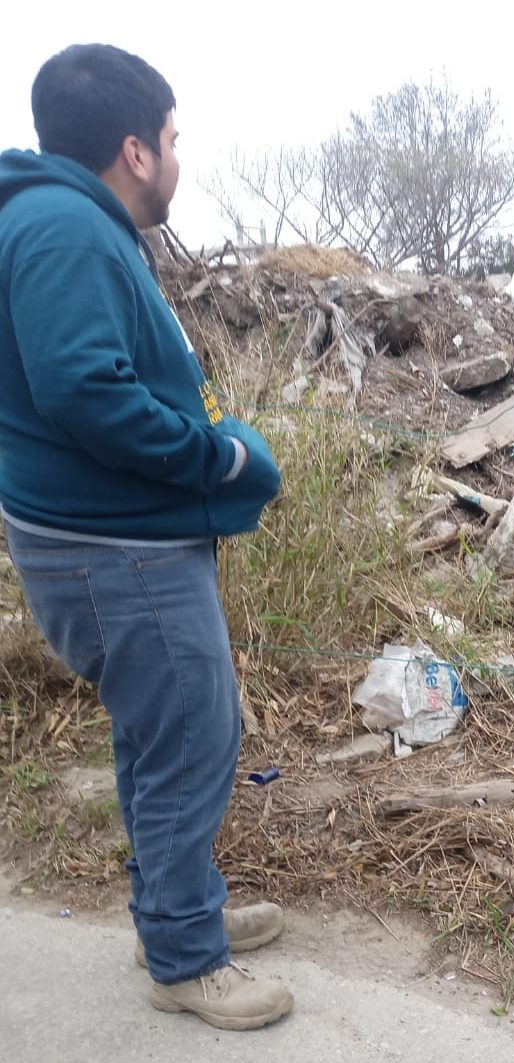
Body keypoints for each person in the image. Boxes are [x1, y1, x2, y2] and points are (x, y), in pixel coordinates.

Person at [0, 44, 292, 1030]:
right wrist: (219, 457)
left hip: (109, 536)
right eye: (171, 137)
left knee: (163, 733)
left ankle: (177, 909)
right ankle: (183, 956)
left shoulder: (75, 222)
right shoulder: (63, 230)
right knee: (189, 739)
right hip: (112, 548)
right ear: (134, 149)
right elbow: (84, 390)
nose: (176, 156)